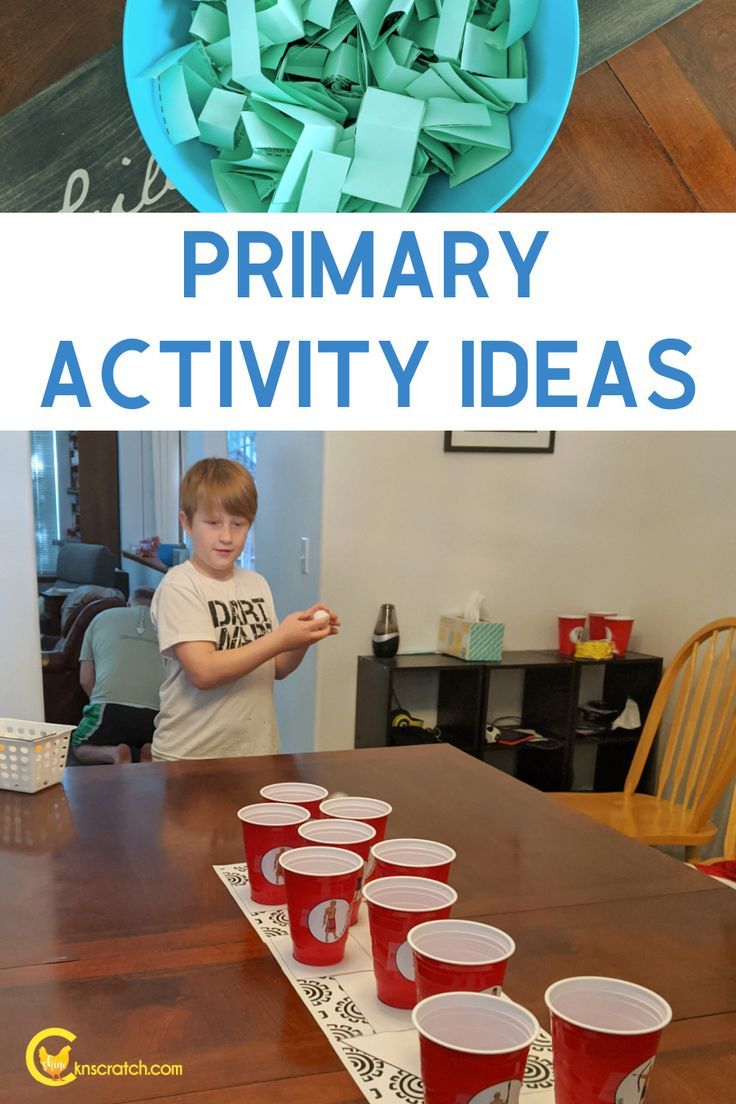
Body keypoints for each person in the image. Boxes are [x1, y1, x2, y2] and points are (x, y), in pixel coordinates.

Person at [150, 458, 338, 761]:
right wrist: (280, 639)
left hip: (256, 754)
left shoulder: (256, 584)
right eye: (213, 523)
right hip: (190, 759)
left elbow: (276, 668)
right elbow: (204, 671)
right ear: (186, 522)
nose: (226, 536)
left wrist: (300, 640)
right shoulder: (180, 585)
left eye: (238, 524)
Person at [72, 587, 165, 764]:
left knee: (78, 745)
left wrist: (100, 701)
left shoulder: (100, 618)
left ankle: (113, 753)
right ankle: (150, 751)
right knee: (158, 742)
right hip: (157, 713)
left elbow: (85, 679)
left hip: (109, 707)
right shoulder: (170, 625)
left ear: (128, 604)